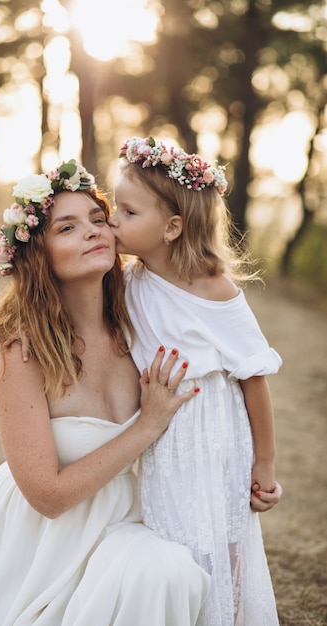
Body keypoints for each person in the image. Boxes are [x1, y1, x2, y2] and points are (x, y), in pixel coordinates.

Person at [0, 159, 211, 626]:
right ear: (38, 255)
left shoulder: (139, 321)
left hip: (122, 522)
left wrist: (256, 468)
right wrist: (146, 426)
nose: (93, 232)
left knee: (165, 573)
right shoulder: (20, 349)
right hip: (40, 543)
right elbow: (47, 496)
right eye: (67, 227)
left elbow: (227, 334)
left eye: (97, 219)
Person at [108, 136, 283, 626]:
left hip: (218, 435)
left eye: (128, 211)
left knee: (221, 542)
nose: (113, 220)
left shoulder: (214, 288)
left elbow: (254, 378)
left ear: (172, 227)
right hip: (165, 440)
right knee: (174, 538)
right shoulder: (126, 281)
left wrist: (264, 465)